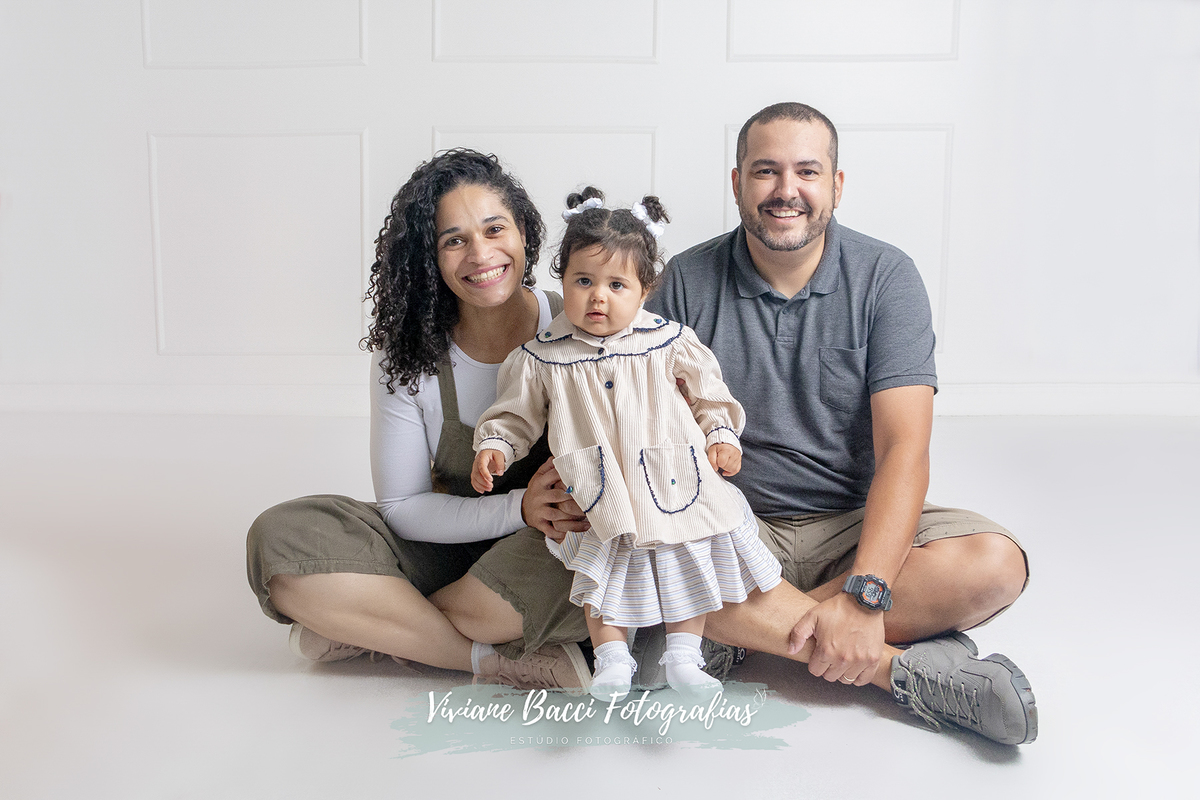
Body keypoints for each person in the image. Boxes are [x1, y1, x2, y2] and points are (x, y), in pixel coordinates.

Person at [619, 102, 1035, 745]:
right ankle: (899, 670)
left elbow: (904, 451)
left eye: (807, 171)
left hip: (852, 527)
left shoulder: (885, 276)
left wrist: (865, 594)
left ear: (836, 185)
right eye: (766, 171)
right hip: (732, 527)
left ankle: (741, 635)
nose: (786, 190)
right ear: (737, 183)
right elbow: (649, 445)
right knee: (636, 555)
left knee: (995, 564)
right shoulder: (684, 283)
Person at [246, 149, 592, 690]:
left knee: (602, 556)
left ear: (524, 232)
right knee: (281, 541)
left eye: (494, 229)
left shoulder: (584, 323)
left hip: (547, 550)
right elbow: (404, 507)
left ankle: (374, 624)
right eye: (454, 240)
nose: (481, 254)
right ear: (429, 258)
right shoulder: (406, 357)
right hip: (446, 546)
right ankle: (491, 659)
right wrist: (518, 508)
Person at [470, 188, 783, 701]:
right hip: (598, 488)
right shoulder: (543, 356)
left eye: (617, 284)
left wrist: (721, 435)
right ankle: (612, 659)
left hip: (674, 479)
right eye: (584, 281)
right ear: (562, 280)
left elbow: (710, 394)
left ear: (644, 289)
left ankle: (684, 656)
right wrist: (497, 446)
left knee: (686, 559)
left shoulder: (669, 341)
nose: (599, 297)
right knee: (604, 572)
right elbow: (515, 412)